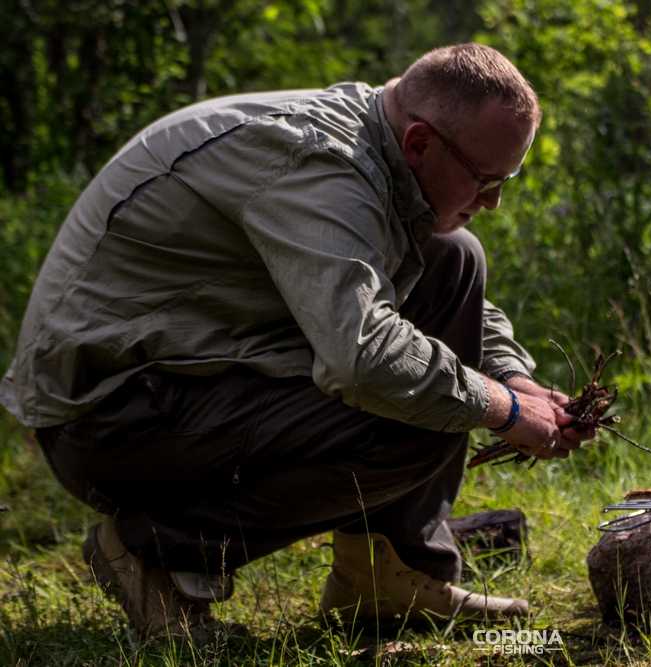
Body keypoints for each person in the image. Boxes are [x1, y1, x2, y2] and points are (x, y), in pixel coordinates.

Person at [0, 43, 593, 639]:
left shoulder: (380, 144)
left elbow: (433, 296)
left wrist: (513, 378)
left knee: (453, 256)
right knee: (415, 421)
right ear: (419, 143)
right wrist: (502, 409)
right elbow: (365, 359)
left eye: (507, 180)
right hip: (105, 414)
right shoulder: (320, 166)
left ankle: (386, 572)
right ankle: (155, 550)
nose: (493, 201)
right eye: (486, 180)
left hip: (178, 376)